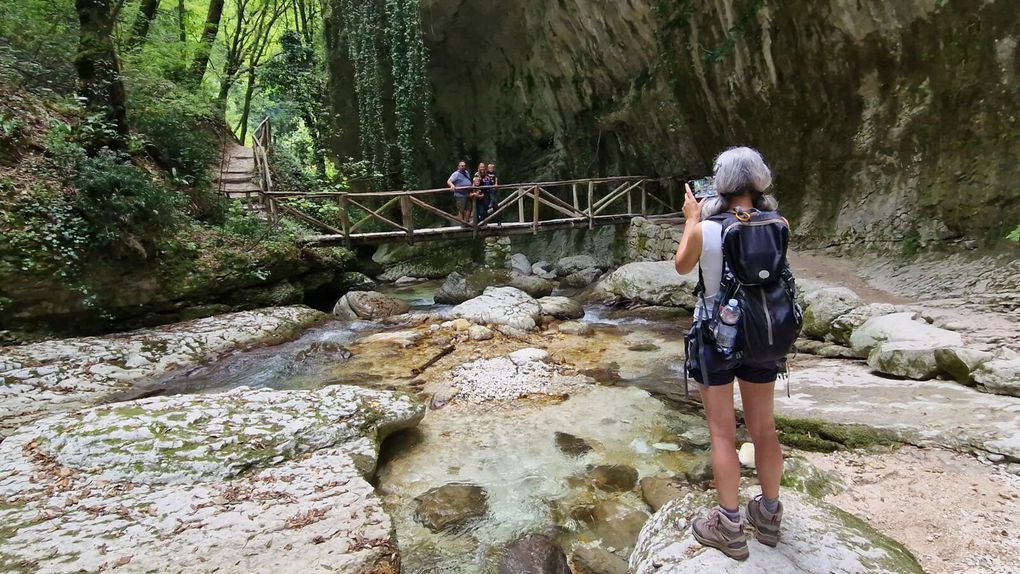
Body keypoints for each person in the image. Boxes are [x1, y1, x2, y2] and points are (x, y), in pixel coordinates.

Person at [673, 147, 786, 561]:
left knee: (723, 432)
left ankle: (730, 525)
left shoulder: (707, 229)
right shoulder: (778, 222)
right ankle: (769, 514)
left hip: (715, 336)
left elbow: (682, 267)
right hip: (763, 334)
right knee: (764, 429)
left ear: (720, 184)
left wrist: (691, 219)